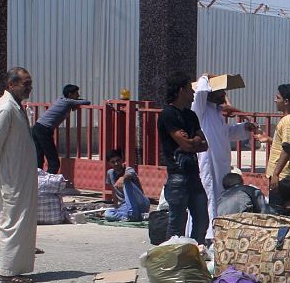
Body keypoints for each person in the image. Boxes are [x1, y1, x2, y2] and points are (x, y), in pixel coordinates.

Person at [0, 67, 40, 283]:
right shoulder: (6, 108)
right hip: (11, 175)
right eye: (25, 83)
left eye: (30, 82)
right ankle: (8, 270)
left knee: (1, 218)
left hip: (18, 174)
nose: (29, 87)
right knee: (13, 220)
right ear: (11, 85)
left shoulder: (16, 107)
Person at [190, 74, 261, 239]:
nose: (224, 95)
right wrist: (205, 77)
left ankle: (216, 232)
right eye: (220, 91)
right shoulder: (200, 110)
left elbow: (226, 133)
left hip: (221, 163)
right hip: (207, 163)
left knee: (221, 196)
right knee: (209, 196)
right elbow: (200, 92)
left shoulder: (217, 113)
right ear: (210, 92)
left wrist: (244, 127)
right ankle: (206, 235)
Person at [159, 73, 210, 242]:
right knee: (177, 225)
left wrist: (193, 139)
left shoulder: (190, 115)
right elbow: (187, 145)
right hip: (177, 177)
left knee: (202, 220)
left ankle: (194, 252)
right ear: (181, 90)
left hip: (194, 176)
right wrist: (193, 141)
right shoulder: (168, 114)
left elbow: (204, 144)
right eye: (190, 88)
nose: (193, 92)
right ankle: (173, 261)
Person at [31, 83, 89, 174]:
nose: (78, 95)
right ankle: (49, 182)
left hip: (37, 127)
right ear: (70, 94)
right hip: (44, 130)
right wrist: (77, 102)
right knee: (54, 161)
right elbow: (86, 102)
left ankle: (37, 181)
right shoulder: (68, 102)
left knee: (39, 157)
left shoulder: (61, 99)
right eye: (76, 93)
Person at [269, 82, 290, 186]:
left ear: (286, 101)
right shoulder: (289, 119)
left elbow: (287, 148)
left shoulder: (289, 121)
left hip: (284, 177)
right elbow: (286, 143)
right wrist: (268, 139)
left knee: (280, 202)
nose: (275, 100)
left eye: (278, 97)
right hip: (283, 175)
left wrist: (276, 174)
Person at [103, 149, 150, 221]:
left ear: (122, 160)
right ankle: (137, 216)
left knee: (126, 182)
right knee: (108, 214)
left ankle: (132, 214)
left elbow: (129, 174)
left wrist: (123, 178)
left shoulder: (128, 169)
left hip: (141, 203)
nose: (116, 163)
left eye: (118, 160)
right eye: (113, 162)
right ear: (109, 163)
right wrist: (116, 207)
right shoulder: (110, 173)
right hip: (125, 206)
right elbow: (114, 191)